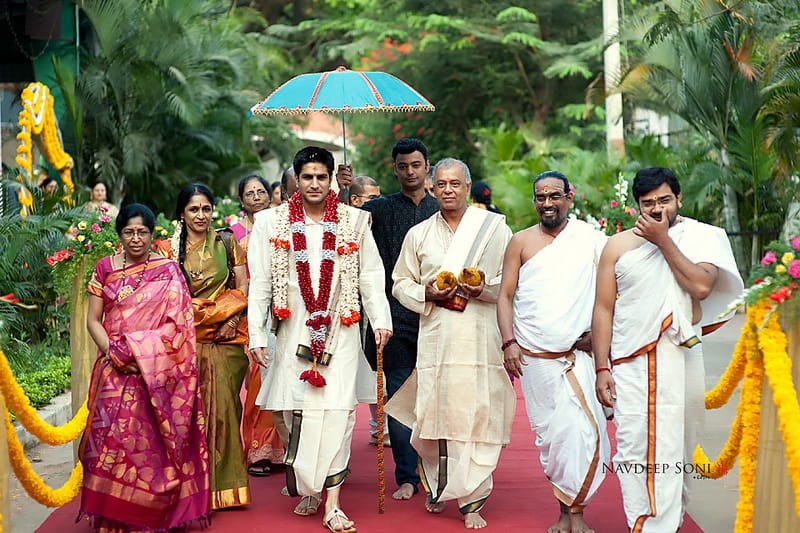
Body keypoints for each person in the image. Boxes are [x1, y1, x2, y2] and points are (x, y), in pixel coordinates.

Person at [248, 146, 392, 533]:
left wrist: (380, 320)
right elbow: (260, 283)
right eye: (307, 177)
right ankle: (308, 482)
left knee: (339, 413)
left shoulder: (355, 221)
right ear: (296, 179)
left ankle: (332, 501)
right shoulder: (270, 223)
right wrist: (256, 334)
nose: (314, 184)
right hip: (292, 327)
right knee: (292, 411)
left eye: (321, 177)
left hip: (340, 327)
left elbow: (370, 276)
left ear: (332, 179)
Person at [592, 167, 743, 532]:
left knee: (679, 444)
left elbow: (701, 286)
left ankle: (670, 519)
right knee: (633, 447)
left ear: (679, 199)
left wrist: (663, 241)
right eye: (648, 204)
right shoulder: (617, 246)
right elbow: (603, 308)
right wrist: (601, 368)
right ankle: (644, 524)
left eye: (664, 200)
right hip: (631, 361)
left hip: (683, 355)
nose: (658, 209)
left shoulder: (702, 238)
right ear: (637, 207)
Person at [388, 158, 516, 529]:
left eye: (455, 184)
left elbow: (510, 284)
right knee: (437, 415)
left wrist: (485, 289)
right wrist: (425, 292)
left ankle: (472, 500)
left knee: (478, 415)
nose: (447, 190)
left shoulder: (494, 229)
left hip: (481, 338)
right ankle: (440, 482)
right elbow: (400, 283)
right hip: (439, 341)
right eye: (441, 184)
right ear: (431, 187)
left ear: (468, 187)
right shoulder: (420, 235)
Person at [81, 203, 210, 531]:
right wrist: (113, 352)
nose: (135, 239)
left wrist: (141, 354)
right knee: (110, 444)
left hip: (155, 372)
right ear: (119, 234)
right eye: (129, 232)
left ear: (153, 235)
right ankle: (114, 515)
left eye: (142, 232)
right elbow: (92, 320)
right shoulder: (105, 268)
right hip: (114, 368)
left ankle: (153, 514)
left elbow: (178, 325)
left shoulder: (167, 270)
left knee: (151, 446)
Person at [497, 170, 610, 533]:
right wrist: (508, 342)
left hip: (580, 357)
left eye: (554, 196)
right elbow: (504, 297)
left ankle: (576, 515)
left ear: (569, 197)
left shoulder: (592, 241)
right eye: (541, 197)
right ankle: (564, 513)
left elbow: (612, 295)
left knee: (582, 433)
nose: (548, 203)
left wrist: (600, 335)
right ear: (535, 201)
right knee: (551, 440)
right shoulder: (520, 242)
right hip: (534, 359)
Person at [160, 183, 251, 510]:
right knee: (187, 414)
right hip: (185, 343)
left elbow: (242, 286)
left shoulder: (227, 242)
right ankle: (191, 486)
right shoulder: (168, 249)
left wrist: (228, 321)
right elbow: (162, 299)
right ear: (182, 214)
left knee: (225, 411)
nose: (201, 215)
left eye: (205, 209)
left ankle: (225, 489)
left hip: (225, 339)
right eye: (193, 210)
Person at [360, 137, 439, 500]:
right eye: (403, 166)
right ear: (395, 169)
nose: (410, 171)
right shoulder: (378, 210)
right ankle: (407, 476)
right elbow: (345, 226)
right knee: (399, 396)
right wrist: (345, 192)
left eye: (416, 165)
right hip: (393, 320)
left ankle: (439, 472)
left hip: (438, 317)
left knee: (437, 399)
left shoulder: (442, 210)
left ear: (427, 167)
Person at [230, 175, 286, 477]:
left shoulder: (283, 226)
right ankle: (258, 449)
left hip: (282, 311)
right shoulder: (233, 234)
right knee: (257, 381)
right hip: (249, 313)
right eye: (249, 193)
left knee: (280, 377)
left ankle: (282, 449)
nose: (256, 197)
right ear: (242, 200)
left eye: (261, 191)